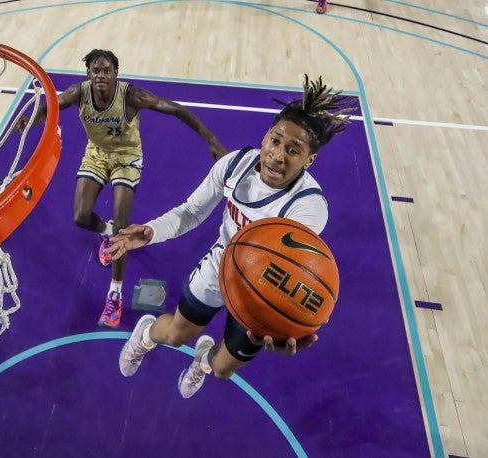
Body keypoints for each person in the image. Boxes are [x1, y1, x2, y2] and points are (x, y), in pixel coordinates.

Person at [107, 75, 353, 398]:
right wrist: (152, 231)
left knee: (222, 370)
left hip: (261, 289)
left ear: (310, 160)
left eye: (293, 150)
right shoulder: (234, 164)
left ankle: (202, 363)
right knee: (176, 335)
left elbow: (297, 273)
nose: (278, 155)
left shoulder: (309, 208)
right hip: (220, 265)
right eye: (275, 141)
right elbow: (191, 212)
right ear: (266, 136)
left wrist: (289, 325)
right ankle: (145, 336)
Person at [15, 49, 227, 328]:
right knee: (80, 216)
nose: (101, 75)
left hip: (127, 159)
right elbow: (51, 105)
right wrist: (34, 118)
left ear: (116, 73)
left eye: (106, 70)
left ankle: (114, 292)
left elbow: (175, 109)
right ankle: (105, 230)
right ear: (88, 74)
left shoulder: (131, 96)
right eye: (95, 71)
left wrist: (210, 139)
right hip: (97, 155)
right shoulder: (79, 93)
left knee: (122, 227)